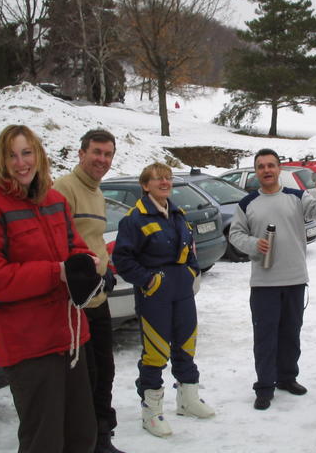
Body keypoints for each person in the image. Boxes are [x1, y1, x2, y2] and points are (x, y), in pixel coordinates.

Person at [0, 125, 99, 453]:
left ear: (38, 155)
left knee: (82, 436)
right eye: (12, 155)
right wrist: (56, 273)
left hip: (70, 337)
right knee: (44, 441)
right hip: (29, 345)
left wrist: (86, 265)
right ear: (1, 160)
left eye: (27, 153)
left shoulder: (54, 200)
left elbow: (75, 247)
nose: (21, 162)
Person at [112, 162, 214, 438]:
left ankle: (187, 399)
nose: (165, 182)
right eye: (158, 179)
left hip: (182, 292)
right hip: (154, 296)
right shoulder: (135, 219)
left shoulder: (178, 215)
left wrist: (191, 271)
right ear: (145, 185)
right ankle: (151, 411)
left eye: (168, 178)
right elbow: (122, 259)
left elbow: (190, 250)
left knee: (186, 345)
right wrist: (150, 280)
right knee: (155, 353)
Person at [229, 148, 316, 411]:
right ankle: (265, 387)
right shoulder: (247, 203)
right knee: (265, 338)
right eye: (261, 166)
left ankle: (287, 378)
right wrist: (254, 244)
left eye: (271, 165)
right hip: (264, 284)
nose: (266, 170)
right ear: (256, 171)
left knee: (290, 334)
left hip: (294, 279)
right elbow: (235, 234)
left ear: (279, 169)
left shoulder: (297, 197)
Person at [53, 129, 125, 453]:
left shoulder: (96, 193)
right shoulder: (63, 189)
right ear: (81, 153)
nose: (102, 159)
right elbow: (60, 245)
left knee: (105, 371)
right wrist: (92, 274)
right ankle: (90, 441)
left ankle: (103, 436)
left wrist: (105, 268)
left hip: (98, 299)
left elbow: (92, 241)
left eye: (108, 154)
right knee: (89, 376)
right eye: (97, 152)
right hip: (77, 303)